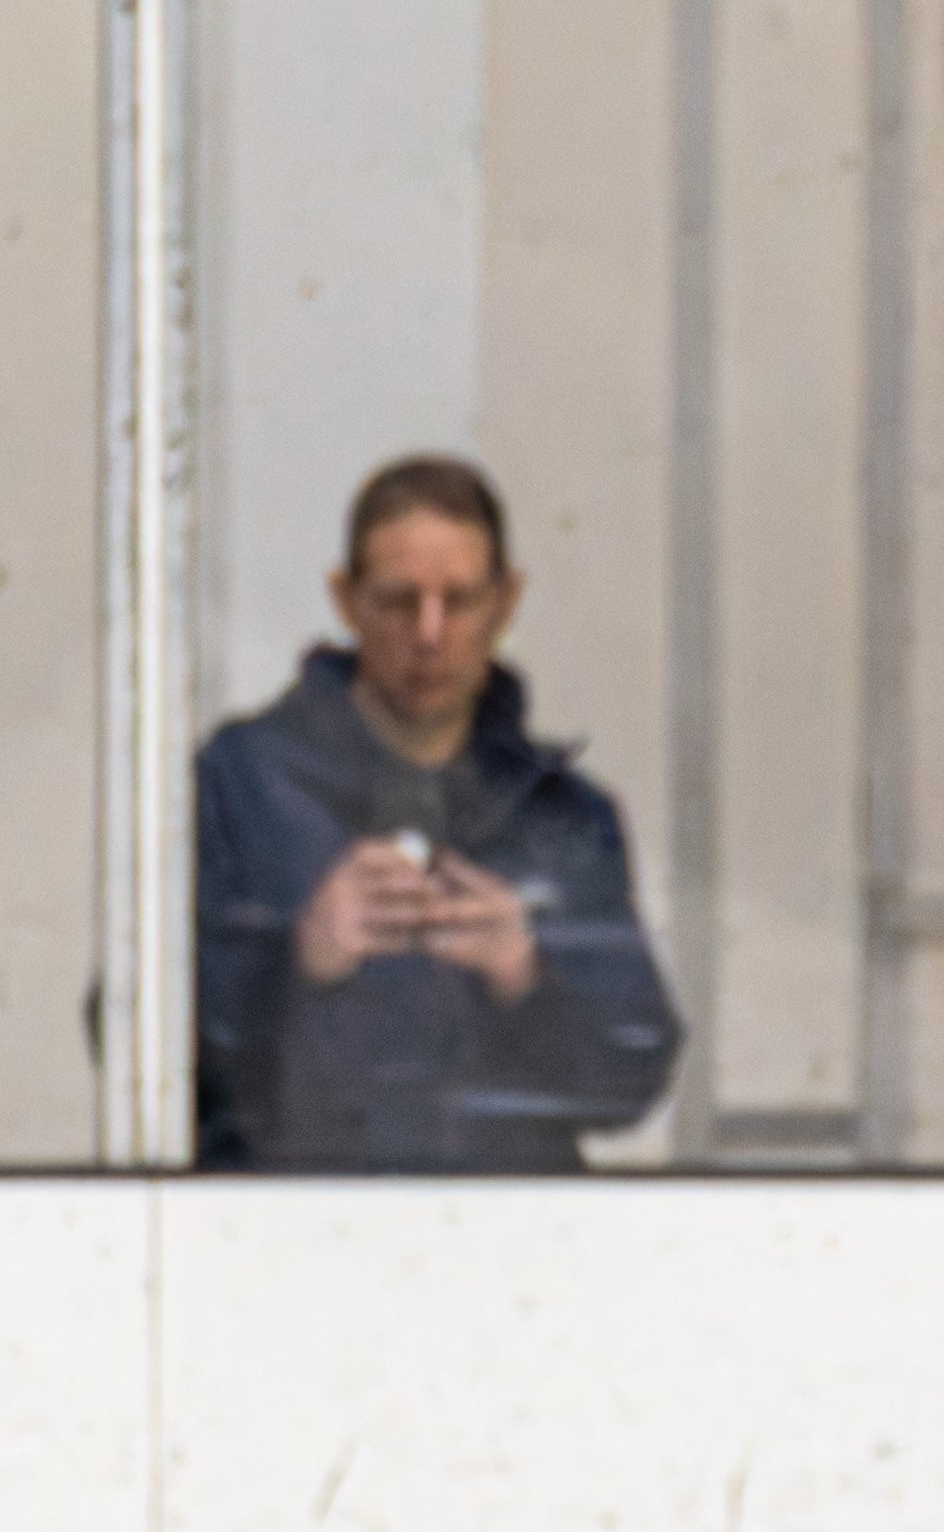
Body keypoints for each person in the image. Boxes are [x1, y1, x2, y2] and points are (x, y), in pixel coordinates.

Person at [193, 456, 682, 1168]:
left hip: (503, 1247)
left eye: (458, 601)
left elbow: (632, 1078)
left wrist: (525, 977)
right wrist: (296, 961)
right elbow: (130, 1042)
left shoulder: (563, 819)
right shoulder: (241, 785)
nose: (428, 634)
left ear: (505, 603)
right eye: (398, 601)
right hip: (293, 1240)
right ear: (346, 599)